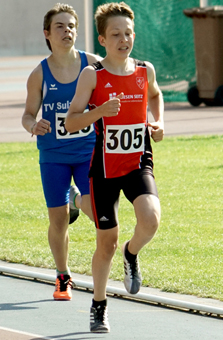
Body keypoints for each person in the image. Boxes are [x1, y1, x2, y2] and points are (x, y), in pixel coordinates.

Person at [65, 1, 164, 333]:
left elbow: (156, 95)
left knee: (150, 219)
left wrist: (158, 121)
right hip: (104, 169)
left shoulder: (143, 70)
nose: (124, 39)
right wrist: (100, 112)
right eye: (116, 34)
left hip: (138, 162)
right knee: (105, 241)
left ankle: (132, 254)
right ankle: (99, 305)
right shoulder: (93, 75)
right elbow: (71, 120)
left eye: (129, 33)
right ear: (103, 39)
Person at [22, 3, 101, 301]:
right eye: (60, 26)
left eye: (71, 26)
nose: (67, 31)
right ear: (47, 33)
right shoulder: (39, 74)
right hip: (53, 155)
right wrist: (34, 124)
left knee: (96, 210)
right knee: (58, 221)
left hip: (87, 151)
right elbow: (27, 114)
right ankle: (63, 276)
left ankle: (75, 199)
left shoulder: (92, 64)